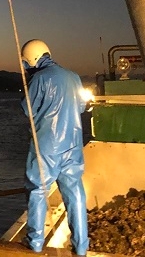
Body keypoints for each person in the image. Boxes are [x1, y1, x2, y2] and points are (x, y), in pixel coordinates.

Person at [20, 39, 89, 255]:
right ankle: (81, 247)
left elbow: (27, 110)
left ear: (31, 58)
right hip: (73, 144)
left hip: (47, 146)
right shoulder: (74, 77)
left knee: (38, 190)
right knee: (75, 193)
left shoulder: (39, 78)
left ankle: (35, 243)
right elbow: (81, 106)